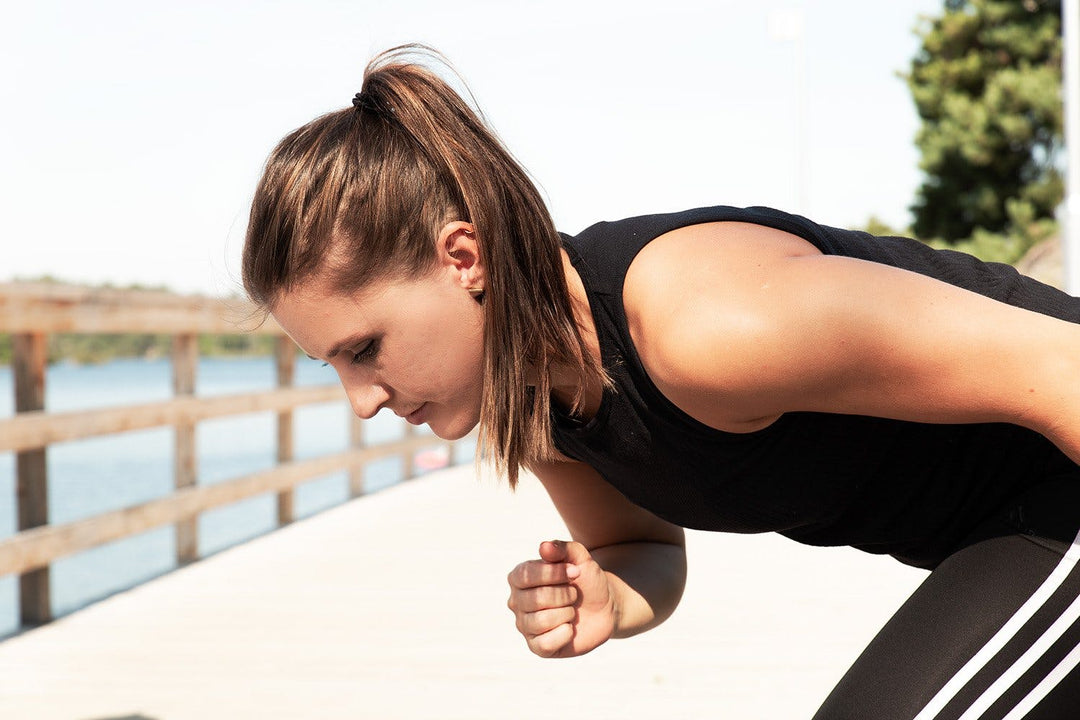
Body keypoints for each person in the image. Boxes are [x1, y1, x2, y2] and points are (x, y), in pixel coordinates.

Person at [242, 45, 1080, 719]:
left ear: (462, 258)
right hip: (1003, 527)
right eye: (333, 365)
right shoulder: (534, 400)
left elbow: (1059, 366)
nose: (362, 401)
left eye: (365, 348)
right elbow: (639, 549)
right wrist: (605, 592)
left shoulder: (700, 325)